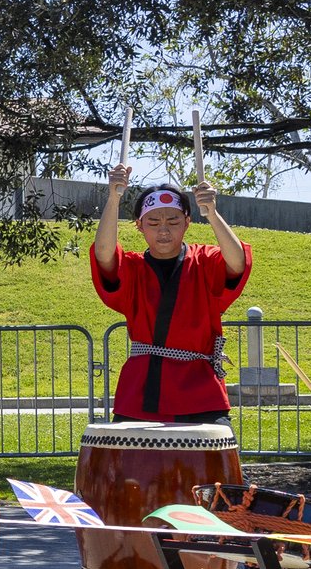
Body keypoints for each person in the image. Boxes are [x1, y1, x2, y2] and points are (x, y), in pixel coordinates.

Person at [90, 162, 250, 422]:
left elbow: (236, 262)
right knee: (131, 462)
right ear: (139, 226)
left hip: (200, 388)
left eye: (173, 220)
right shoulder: (133, 268)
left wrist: (211, 213)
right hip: (142, 389)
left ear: (187, 222)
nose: (163, 230)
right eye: (153, 222)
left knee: (214, 460)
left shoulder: (204, 260)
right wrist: (113, 198)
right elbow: (103, 254)